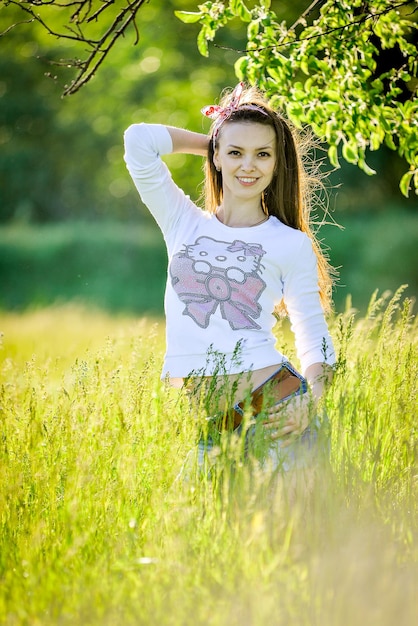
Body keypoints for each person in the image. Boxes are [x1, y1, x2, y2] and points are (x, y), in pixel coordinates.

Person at [123, 82, 336, 473]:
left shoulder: (290, 244)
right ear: (217, 156)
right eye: (237, 153)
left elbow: (312, 330)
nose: (249, 165)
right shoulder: (182, 221)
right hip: (213, 430)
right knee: (198, 532)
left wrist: (313, 399)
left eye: (263, 154)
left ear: (276, 163)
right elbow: (138, 140)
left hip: (279, 412)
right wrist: (217, 141)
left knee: (295, 535)